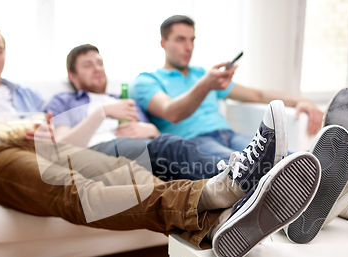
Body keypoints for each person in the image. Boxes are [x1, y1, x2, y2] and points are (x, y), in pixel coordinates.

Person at [0, 25, 322, 257]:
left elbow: (54, 135)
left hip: (40, 149)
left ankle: (223, 218)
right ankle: (222, 189)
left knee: (130, 173)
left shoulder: (24, 94)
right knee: (77, 193)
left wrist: (46, 133)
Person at [131, 15, 324, 161]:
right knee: (247, 165)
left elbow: (256, 94)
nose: (189, 47)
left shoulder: (201, 74)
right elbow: (171, 111)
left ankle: (326, 164)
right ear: (163, 43)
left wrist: (300, 100)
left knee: (292, 158)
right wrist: (206, 84)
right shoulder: (147, 80)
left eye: (192, 40)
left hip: (228, 135)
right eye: (181, 39)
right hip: (193, 142)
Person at [45, 44, 223, 182]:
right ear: (73, 76)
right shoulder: (64, 101)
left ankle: (234, 187)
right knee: (170, 147)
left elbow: (154, 134)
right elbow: (62, 146)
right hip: (98, 152)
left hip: (141, 149)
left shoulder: (123, 99)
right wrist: (103, 112)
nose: (98, 68)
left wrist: (150, 129)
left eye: (100, 63)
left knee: (176, 152)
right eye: (88, 65)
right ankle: (237, 182)